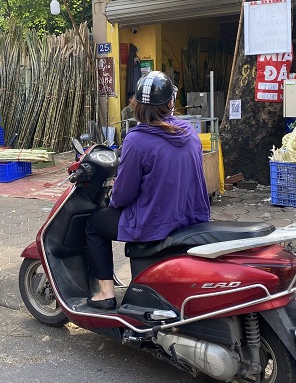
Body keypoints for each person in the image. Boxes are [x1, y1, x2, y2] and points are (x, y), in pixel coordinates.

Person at [85, 71, 210, 309]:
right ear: (170, 103)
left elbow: (123, 196)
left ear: (137, 106)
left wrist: (113, 196)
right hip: (190, 218)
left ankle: (106, 293)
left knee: (93, 224)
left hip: (153, 222)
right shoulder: (188, 132)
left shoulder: (136, 140)